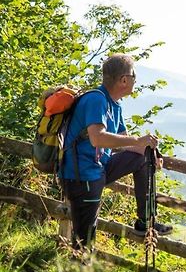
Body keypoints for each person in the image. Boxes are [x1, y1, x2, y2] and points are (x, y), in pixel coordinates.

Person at [60, 53, 172, 248]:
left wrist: (147, 149)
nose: (135, 80)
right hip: (82, 176)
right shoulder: (96, 100)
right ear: (124, 79)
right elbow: (97, 138)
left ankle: (146, 222)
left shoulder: (115, 105)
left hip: (98, 169)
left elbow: (124, 142)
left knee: (144, 159)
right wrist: (138, 140)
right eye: (134, 76)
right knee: (84, 240)